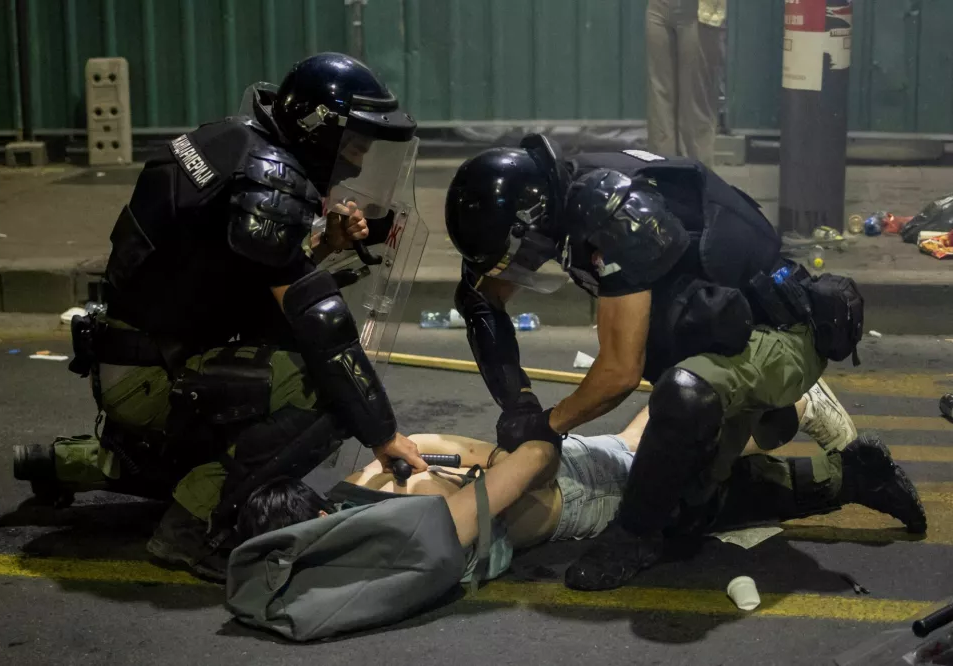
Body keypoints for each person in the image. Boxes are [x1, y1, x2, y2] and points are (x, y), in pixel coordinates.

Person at [12, 52, 428, 579]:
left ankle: (75, 462)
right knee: (324, 392)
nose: (355, 164)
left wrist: (324, 245)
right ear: (320, 131)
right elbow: (323, 328)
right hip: (151, 377)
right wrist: (383, 433)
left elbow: (235, 275)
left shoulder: (231, 141)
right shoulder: (271, 180)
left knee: (275, 374)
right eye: (353, 147)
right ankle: (190, 529)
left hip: (133, 353)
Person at [443, 136, 922, 591]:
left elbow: (619, 373)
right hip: (713, 329)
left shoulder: (613, 211)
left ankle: (634, 537)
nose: (525, 265)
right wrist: (518, 403)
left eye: (522, 252)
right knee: (688, 503)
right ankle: (856, 474)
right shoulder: (560, 194)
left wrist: (546, 426)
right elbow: (484, 300)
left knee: (683, 398)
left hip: (779, 333)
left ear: (533, 220)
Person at [237, 385, 925, 585]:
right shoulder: (369, 479)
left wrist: (534, 438)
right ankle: (782, 401)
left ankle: (830, 454)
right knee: (646, 445)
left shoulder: (400, 517)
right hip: (564, 473)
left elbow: (517, 480)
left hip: (574, 493)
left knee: (710, 490)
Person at [645, 0, 725, 166]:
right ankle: (662, 180)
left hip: (700, 10)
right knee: (659, 101)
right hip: (658, 6)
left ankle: (696, 182)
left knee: (695, 108)